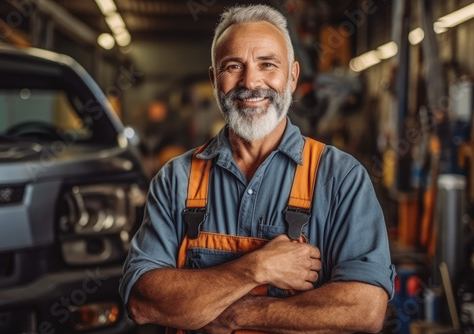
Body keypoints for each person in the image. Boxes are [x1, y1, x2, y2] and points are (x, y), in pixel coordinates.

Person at [120, 4, 395, 333]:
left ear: (292, 76)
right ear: (214, 79)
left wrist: (235, 315)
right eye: (233, 66)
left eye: (267, 64)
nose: (251, 81)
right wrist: (256, 267)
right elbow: (143, 302)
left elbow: (364, 308)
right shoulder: (176, 179)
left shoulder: (340, 178)